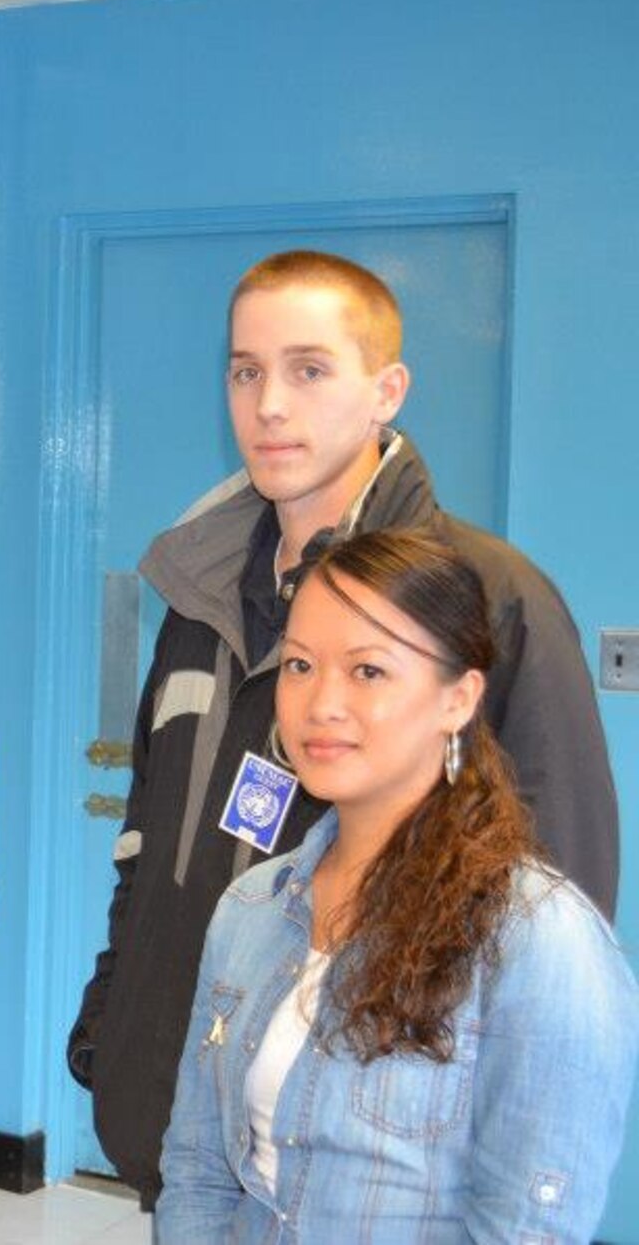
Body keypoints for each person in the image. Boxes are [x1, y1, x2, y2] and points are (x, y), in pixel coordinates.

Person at [67, 250, 618, 1208]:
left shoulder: (488, 598)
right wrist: (113, 1022)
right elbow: (151, 840)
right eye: (246, 371)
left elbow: (561, 902)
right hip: (188, 1131)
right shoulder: (198, 598)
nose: (270, 404)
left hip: (382, 1166)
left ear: (386, 390)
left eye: (309, 369)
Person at [157, 528, 638, 1240]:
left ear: (459, 697)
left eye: (368, 670)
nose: (320, 702)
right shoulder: (250, 908)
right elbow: (196, 1168)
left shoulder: (539, 939)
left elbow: (525, 1226)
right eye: (299, 664)